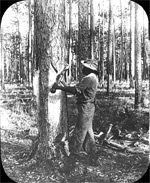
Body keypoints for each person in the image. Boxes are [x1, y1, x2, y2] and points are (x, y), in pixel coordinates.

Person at [51, 59, 99, 169]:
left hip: (86, 108)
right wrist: (63, 85)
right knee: (88, 132)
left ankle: (72, 161)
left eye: (84, 67)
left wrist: (58, 87)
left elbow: (75, 90)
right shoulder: (92, 77)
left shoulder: (89, 78)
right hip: (88, 107)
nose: (82, 68)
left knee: (80, 132)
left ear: (89, 68)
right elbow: (77, 89)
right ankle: (94, 157)